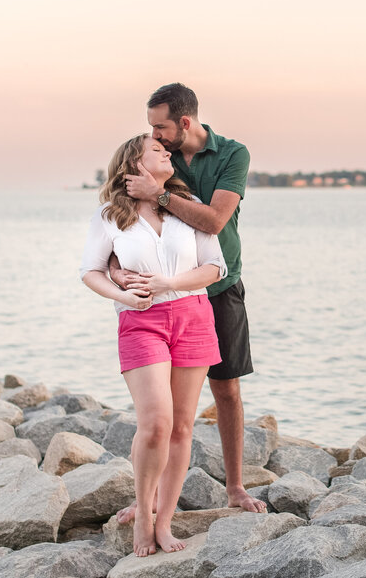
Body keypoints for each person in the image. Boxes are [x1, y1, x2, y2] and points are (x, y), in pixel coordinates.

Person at [109, 82, 266, 514]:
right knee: (162, 408)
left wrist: (160, 196)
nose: (154, 136)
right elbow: (119, 224)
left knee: (227, 388)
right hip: (164, 300)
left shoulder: (233, 154)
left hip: (218, 282)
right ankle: (151, 500)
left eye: (160, 127)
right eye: (150, 129)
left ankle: (235, 487)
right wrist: (113, 270)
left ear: (184, 121)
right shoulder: (157, 156)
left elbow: (215, 221)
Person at [80, 134, 227, 556]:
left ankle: (165, 521)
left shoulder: (188, 205)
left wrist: (170, 283)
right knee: (156, 423)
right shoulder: (111, 215)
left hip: (194, 316)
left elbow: (215, 267)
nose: (167, 152)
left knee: (182, 426)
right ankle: (143, 514)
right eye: (157, 150)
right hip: (140, 321)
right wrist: (123, 296)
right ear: (134, 162)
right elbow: (91, 271)